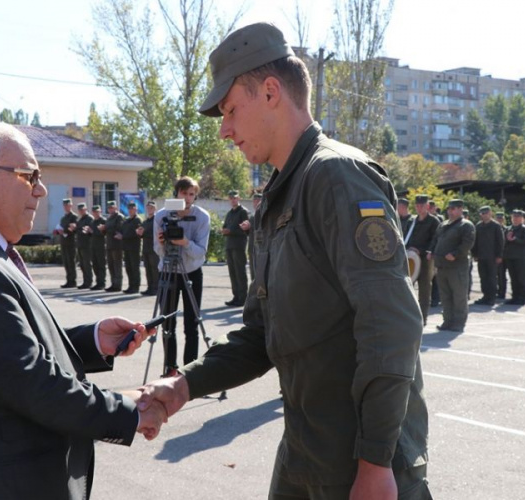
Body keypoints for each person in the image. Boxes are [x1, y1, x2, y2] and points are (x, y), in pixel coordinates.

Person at [139, 23, 430, 499]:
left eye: (231, 109)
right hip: (306, 450)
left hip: (359, 461)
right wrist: (184, 386)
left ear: (271, 91)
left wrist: (376, 463)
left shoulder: (336, 177)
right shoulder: (279, 195)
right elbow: (260, 336)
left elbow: (391, 327)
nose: (225, 129)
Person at [0, 120, 166, 500]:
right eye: (28, 175)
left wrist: (91, 341)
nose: (40, 190)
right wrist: (129, 409)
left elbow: (0, 352)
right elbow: (31, 381)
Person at [154, 176, 211, 371]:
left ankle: (189, 371)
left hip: (192, 272)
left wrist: (184, 242)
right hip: (168, 271)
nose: (187, 197)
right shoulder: (161, 215)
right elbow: (157, 251)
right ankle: (170, 368)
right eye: (183, 193)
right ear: (176, 193)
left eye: (191, 194)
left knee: (192, 325)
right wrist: (162, 243)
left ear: (195, 196)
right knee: (167, 323)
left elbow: (200, 253)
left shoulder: (202, 217)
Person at [433, 199, 475, 332]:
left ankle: (458, 323)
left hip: (456, 266)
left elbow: (467, 243)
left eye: (453, 209)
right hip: (442, 266)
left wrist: (455, 254)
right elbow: (436, 240)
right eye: (449, 209)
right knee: (445, 296)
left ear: (460, 209)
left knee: (459, 296)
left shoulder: (466, 225)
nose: (450, 211)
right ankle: (447, 320)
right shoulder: (443, 224)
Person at [407, 194, 439, 325]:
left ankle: (422, 318)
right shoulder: (412, 221)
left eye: (422, 206)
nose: (419, 208)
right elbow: (406, 237)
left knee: (424, 289)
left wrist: (421, 250)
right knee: (408, 287)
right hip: (411, 258)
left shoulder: (434, 221)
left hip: (426, 259)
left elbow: (435, 240)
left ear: (427, 206)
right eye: (417, 206)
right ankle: (410, 316)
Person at [472, 206, 505, 306]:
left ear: (490, 213)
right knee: (483, 278)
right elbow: (475, 241)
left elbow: (500, 241)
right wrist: (475, 254)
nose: (484, 215)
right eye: (482, 213)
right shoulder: (478, 226)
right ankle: (485, 296)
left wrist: (499, 255)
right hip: (481, 256)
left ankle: (491, 298)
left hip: (492, 256)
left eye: (486, 213)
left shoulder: (496, 225)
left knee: (491, 278)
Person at [222, 190, 249, 306]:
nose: (233, 200)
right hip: (230, 245)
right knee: (232, 272)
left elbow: (246, 229)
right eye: (231, 198)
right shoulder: (230, 213)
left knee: (240, 272)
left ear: (239, 199)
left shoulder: (243, 212)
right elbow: (225, 226)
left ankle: (243, 298)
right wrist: (224, 230)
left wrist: (231, 231)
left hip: (238, 245)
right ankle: (236, 296)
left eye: (235, 198)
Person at [503, 209, 525, 305]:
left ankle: (522, 297)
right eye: (514, 216)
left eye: (518, 217)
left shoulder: (524, 229)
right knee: (513, 278)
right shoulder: (509, 228)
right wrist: (507, 239)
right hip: (510, 257)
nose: (515, 218)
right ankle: (515, 296)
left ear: (522, 218)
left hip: (521, 257)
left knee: (521, 278)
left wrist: (515, 239)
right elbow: (504, 242)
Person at [101, 200, 124, 292]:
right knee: (111, 265)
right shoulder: (109, 218)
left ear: (116, 207)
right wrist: (103, 230)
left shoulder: (119, 217)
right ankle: (113, 283)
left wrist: (106, 228)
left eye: (112, 207)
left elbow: (118, 229)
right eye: (109, 208)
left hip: (117, 245)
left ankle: (118, 285)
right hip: (109, 244)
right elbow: (106, 232)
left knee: (117, 265)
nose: (110, 209)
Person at [138, 200, 159, 296]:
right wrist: (140, 233)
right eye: (148, 207)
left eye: (152, 207)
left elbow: (156, 233)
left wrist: (144, 232)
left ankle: (156, 288)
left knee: (155, 269)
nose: (150, 209)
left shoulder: (157, 220)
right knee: (148, 270)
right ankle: (149, 287)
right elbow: (142, 234)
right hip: (146, 248)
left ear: (155, 209)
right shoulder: (145, 221)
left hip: (154, 249)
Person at [240, 191, 263, 280]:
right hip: (252, 248)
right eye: (254, 200)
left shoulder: (264, 214)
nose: (256, 202)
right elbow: (250, 232)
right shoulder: (253, 216)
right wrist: (246, 228)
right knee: (253, 274)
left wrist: (250, 225)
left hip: (260, 249)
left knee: (259, 274)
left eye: (258, 200)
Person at [121, 201, 142, 294]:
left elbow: (135, 233)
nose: (130, 210)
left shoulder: (137, 220)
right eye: (129, 209)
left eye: (132, 209)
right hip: (126, 247)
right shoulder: (127, 220)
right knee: (128, 268)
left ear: (136, 209)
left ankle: (135, 287)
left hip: (134, 247)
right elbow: (123, 230)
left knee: (134, 268)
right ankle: (131, 285)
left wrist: (123, 236)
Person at [57, 198, 78, 288]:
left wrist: (65, 231)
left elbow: (73, 229)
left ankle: (72, 281)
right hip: (64, 241)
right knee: (66, 262)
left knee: (71, 261)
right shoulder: (63, 218)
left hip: (71, 242)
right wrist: (59, 231)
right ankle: (68, 280)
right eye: (65, 205)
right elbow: (61, 227)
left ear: (71, 206)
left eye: (68, 205)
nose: (66, 207)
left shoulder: (74, 217)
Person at [75, 202, 94, 289]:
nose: (81, 211)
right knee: (82, 264)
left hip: (87, 244)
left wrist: (87, 230)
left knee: (87, 264)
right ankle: (85, 281)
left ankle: (88, 282)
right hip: (80, 244)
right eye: (80, 210)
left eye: (83, 209)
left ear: (86, 209)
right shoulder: (80, 219)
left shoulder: (89, 218)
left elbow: (91, 230)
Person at [89, 204, 107, 290]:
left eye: (98, 211)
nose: (96, 213)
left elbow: (103, 233)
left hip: (101, 246)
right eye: (94, 212)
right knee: (95, 265)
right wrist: (89, 231)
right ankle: (98, 282)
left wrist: (93, 231)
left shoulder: (103, 220)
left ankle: (102, 282)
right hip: (93, 245)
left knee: (101, 265)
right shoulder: (92, 222)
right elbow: (91, 234)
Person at [495, 212, 508, 300]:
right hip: (494, 255)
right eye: (498, 218)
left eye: (501, 218)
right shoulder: (493, 228)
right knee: (494, 275)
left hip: (503, 255)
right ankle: (496, 291)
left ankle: (502, 292)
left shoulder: (506, 229)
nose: (500, 220)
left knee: (501, 275)